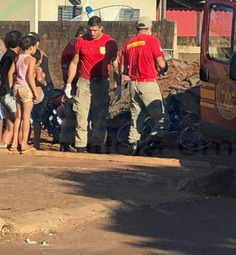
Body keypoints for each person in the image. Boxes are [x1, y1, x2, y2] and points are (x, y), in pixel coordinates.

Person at [64, 16, 120, 153]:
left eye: (95, 30)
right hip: (84, 81)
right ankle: (80, 145)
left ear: (101, 28)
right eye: (90, 30)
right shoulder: (81, 41)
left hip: (101, 82)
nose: (92, 33)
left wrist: (119, 85)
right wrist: (69, 83)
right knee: (81, 114)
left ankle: (97, 144)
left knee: (99, 116)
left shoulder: (110, 42)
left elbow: (115, 65)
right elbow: (74, 62)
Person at [121, 18, 168, 155]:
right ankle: (151, 144)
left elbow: (123, 68)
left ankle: (133, 145)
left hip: (133, 84)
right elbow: (161, 64)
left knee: (136, 117)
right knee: (161, 119)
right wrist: (164, 69)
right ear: (149, 28)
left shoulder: (128, 44)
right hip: (147, 83)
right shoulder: (152, 41)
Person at [12, 34, 43, 154]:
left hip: (17, 86)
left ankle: (14, 142)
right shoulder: (31, 59)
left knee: (18, 117)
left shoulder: (17, 57)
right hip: (26, 88)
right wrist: (35, 92)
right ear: (31, 47)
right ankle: (24, 143)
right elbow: (30, 77)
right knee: (26, 118)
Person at [58, 26, 87, 152]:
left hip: (79, 84)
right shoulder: (71, 48)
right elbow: (66, 69)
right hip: (75, 85)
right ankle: (68, 142)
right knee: (75, 114)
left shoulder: (72, 47)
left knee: (74, 115)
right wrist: (68, 85)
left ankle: (67, 142)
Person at [0, 30, 23, 150]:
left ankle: (4, 143)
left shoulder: (6, 55)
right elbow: (10, 73)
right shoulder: (13, 57)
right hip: (8, 92)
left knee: (10, 123)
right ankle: (20, 144)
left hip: (3, 92)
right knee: (20, 118)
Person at [29, 32, 54, 148]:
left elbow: (39, 77)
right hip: (40, 87)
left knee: (37, 116)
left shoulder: (37, 56)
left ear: (37, 44)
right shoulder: (36, 55)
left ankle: (36, 143)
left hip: (42, 87)